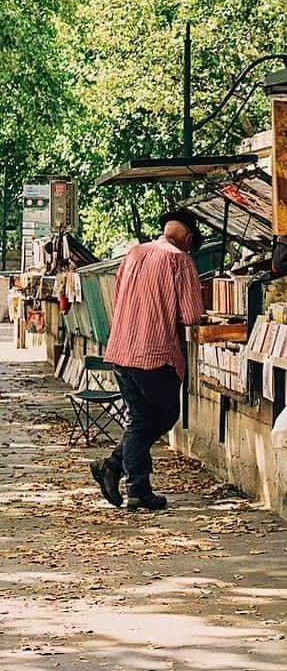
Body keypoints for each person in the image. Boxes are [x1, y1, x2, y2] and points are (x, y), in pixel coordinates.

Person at [90, 209, 205, 512]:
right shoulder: (179, 260)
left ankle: (133, 485)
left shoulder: (134, 253)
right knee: (163, 417)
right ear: (189, 239)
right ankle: (119, 471)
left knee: (141, 419)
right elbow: (192, 315)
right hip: (154, 355)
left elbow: (118, 297)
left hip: (121, 350)